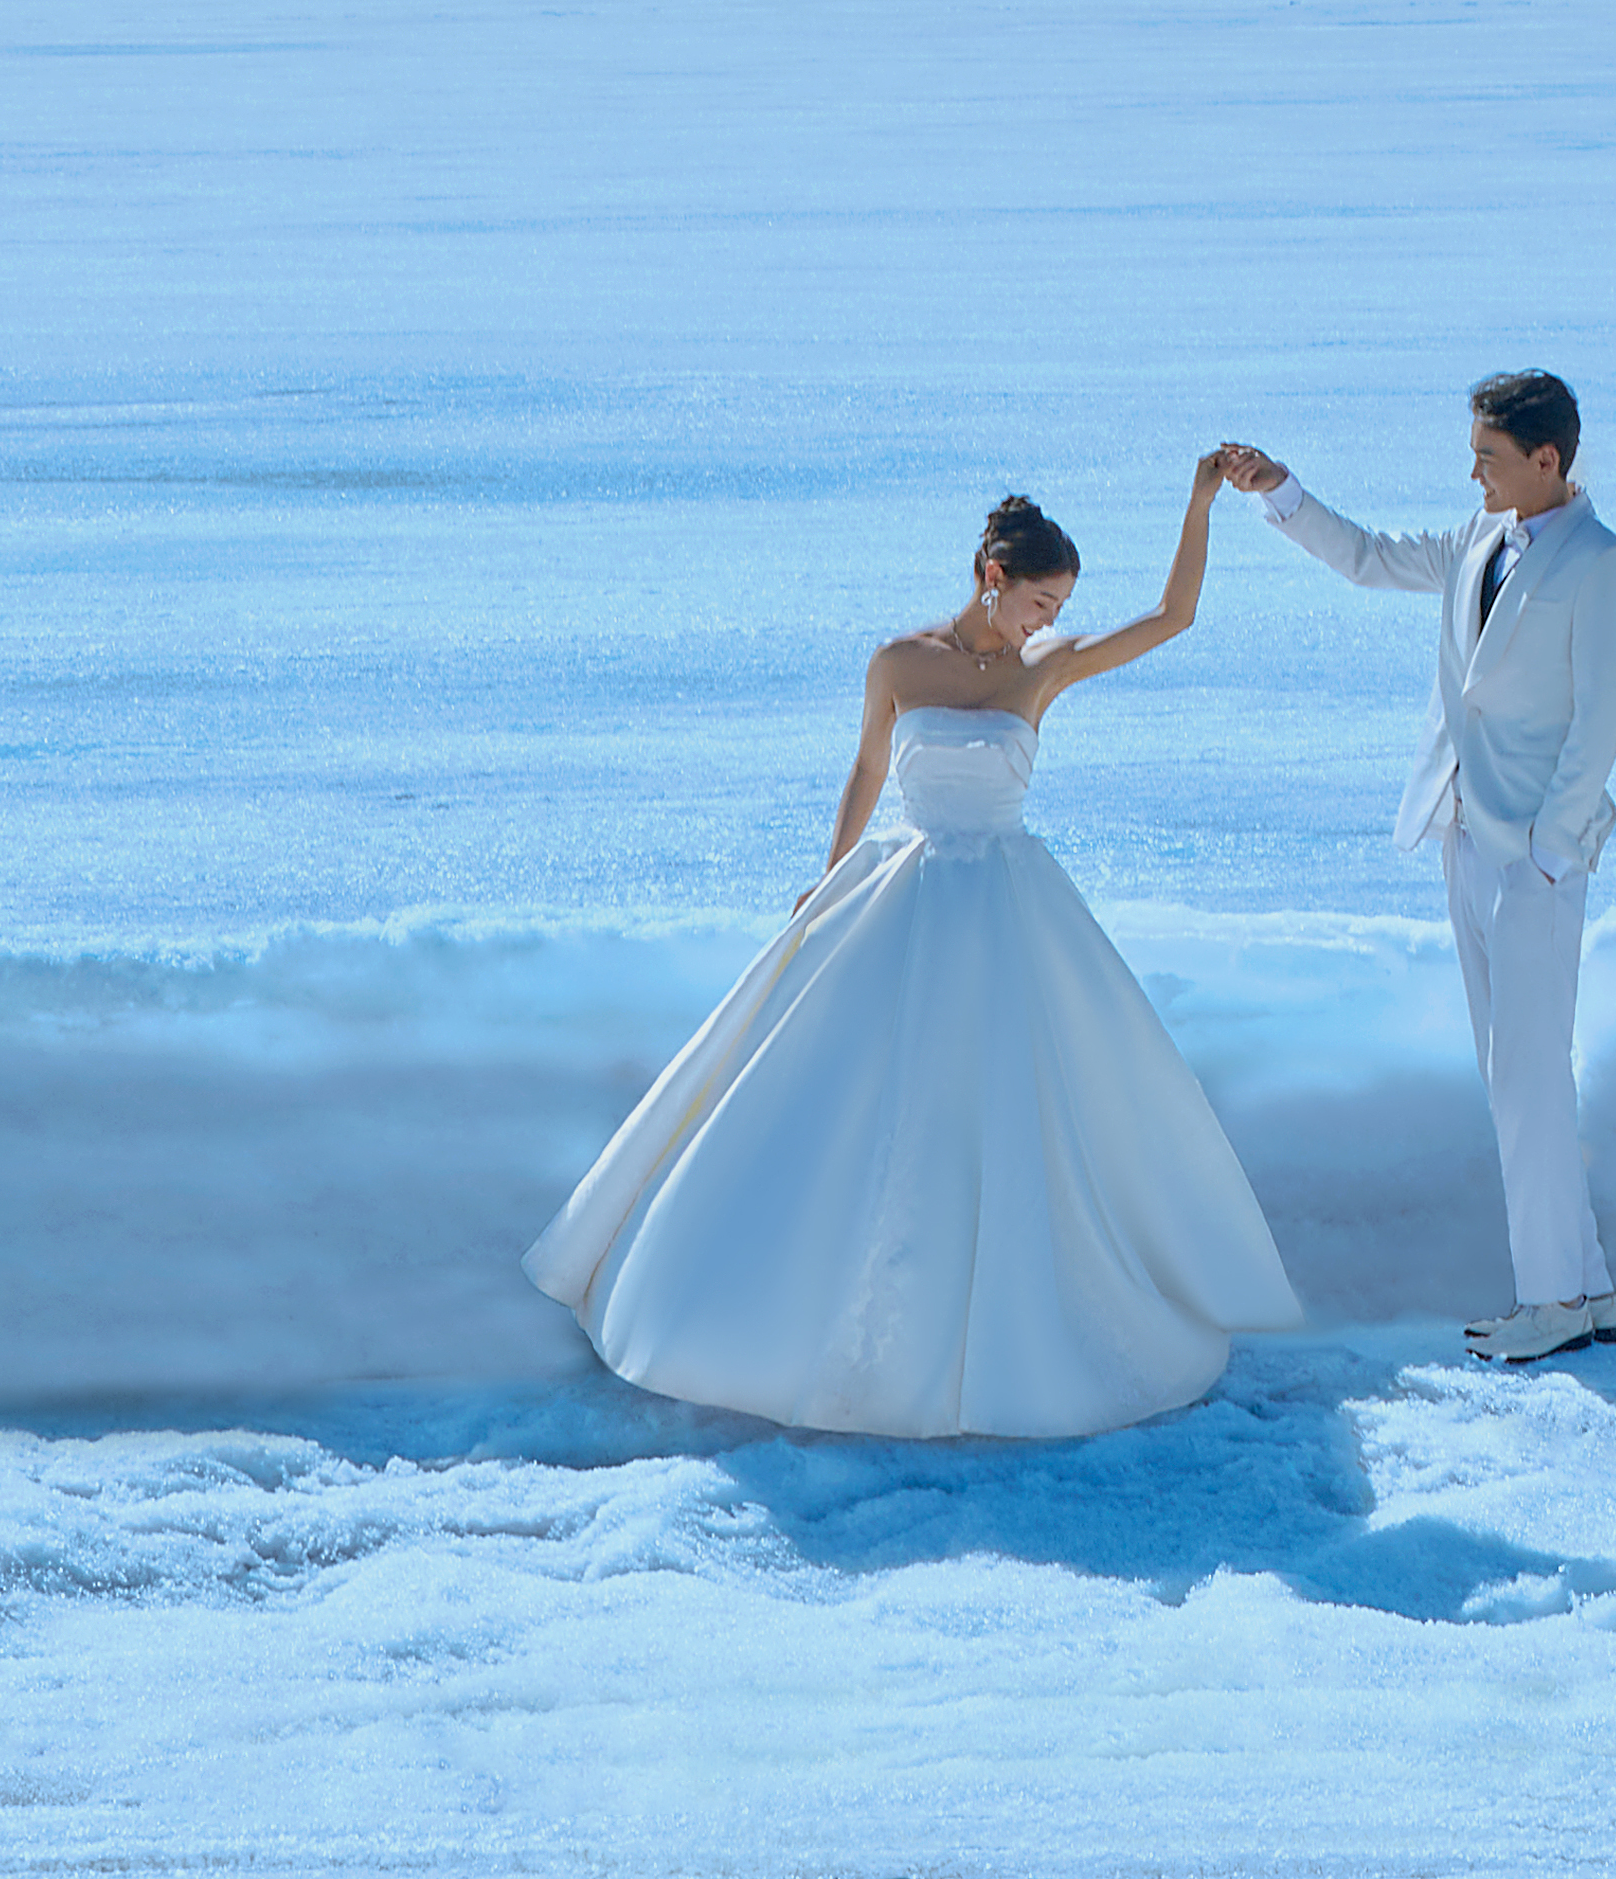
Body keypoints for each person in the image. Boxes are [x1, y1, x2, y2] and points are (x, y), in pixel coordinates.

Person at [527, 467, 1304, 1437]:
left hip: (1009, 909)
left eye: (1058, 608)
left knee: (1009, 1108)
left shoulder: (1044, 667)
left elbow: (1173, 615)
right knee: (848, 1097)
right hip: (903, 886)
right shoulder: (898, 662)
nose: (1044, 622)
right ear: (991, 575)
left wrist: (1199, 501)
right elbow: (864, 765)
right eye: (1035, 602)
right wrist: (829, 872)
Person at [1210, 373, 1616, 1365]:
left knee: (1530, 1078)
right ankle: (1588, 1286)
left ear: (1549, 460)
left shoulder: (1606, 565)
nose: (1472, 470)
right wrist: (1281, 492)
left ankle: (1550, 1300)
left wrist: (1548, 846)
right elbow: (1366, 560)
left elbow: (1600, 718)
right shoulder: (1478, 539)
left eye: (1488, 455)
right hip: (1462, 831)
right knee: (1513, 1072)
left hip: (1533, 854)